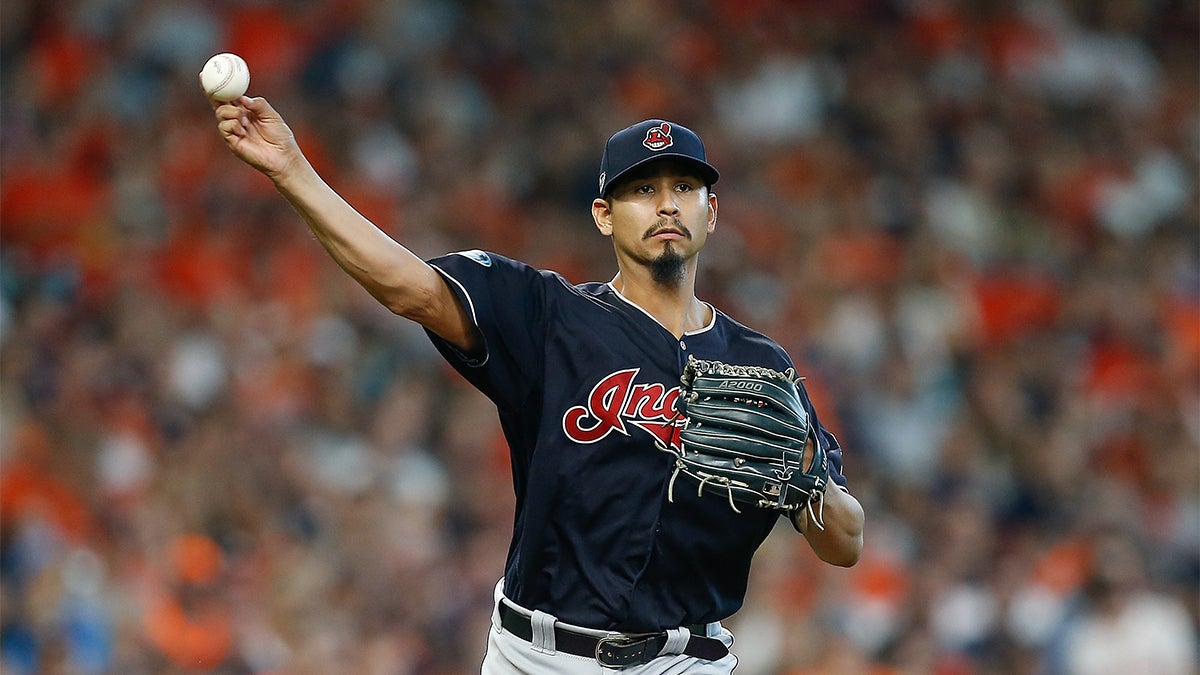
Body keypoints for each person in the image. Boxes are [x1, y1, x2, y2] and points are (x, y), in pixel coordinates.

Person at [209, 95, 865, 673]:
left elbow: (843, 541)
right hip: (537, 657)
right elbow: (407, 286)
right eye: (642, 189)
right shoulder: (549, 316)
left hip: (685, 661)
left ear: (711, 211)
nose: (666, 202)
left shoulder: (763, 366)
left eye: (684, 187)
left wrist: (811, 476)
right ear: (604, 215)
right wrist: (293, 171)